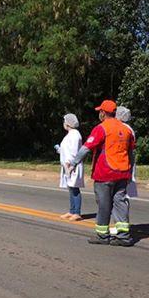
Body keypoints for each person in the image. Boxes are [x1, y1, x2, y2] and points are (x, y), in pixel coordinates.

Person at [66, 99, 135, 246]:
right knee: (120, 203)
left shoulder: (102, 128)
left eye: (100, 112)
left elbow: (86, 148)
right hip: (122, 173)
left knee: (104, 204)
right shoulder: (127, 130)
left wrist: (73, 163)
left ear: (103, 113)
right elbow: (131, 154)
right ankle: (124, 236)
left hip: (105, 173)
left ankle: (103, 236)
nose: (99, 114)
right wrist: (130, 172)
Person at [55, 113, 84, 220]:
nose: (63, 123)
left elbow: (74, 151)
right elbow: (66, 149)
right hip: (67, 165)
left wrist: (69, 163)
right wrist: (60, 150)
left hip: (72, 165)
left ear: (68, 123)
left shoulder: (75, 134)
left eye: (64, 121)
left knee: (75, 188)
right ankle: (72, 211)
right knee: (71, 188)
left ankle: (77, 212)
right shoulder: (70, 134)